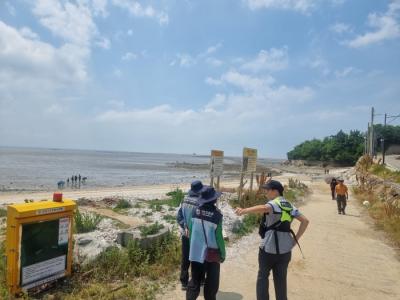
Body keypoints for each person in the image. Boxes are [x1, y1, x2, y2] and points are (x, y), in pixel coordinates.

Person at [235, 180, 309, 300]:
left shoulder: (274, 203)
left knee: (263, 277)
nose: (266, 193)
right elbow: (305, 221)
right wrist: (295, 240)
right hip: (285, 250)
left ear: (275, 191)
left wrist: (244, 211)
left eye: (267, 190)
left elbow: (264, 208)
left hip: (268, 249)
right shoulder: (290, 205)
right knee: (281, 279)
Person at [187, 186, 226, 300]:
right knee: (212, 283)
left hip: (196, 252)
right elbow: (219, 238)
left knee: (195, 281)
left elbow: (191, 230)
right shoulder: (217, 215)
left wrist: (192, 249)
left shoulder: (194, 211)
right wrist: (223, 254)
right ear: (214, 200)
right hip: (212, 254)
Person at [177, 180, 205, 290]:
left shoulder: (184, 200)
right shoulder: (201, 202)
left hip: (185, 234)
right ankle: (199, 280)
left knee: (185, 258)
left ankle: (184, 282)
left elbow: (179, 216)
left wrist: (185, 226)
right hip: (197, 235)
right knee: (197, 257)